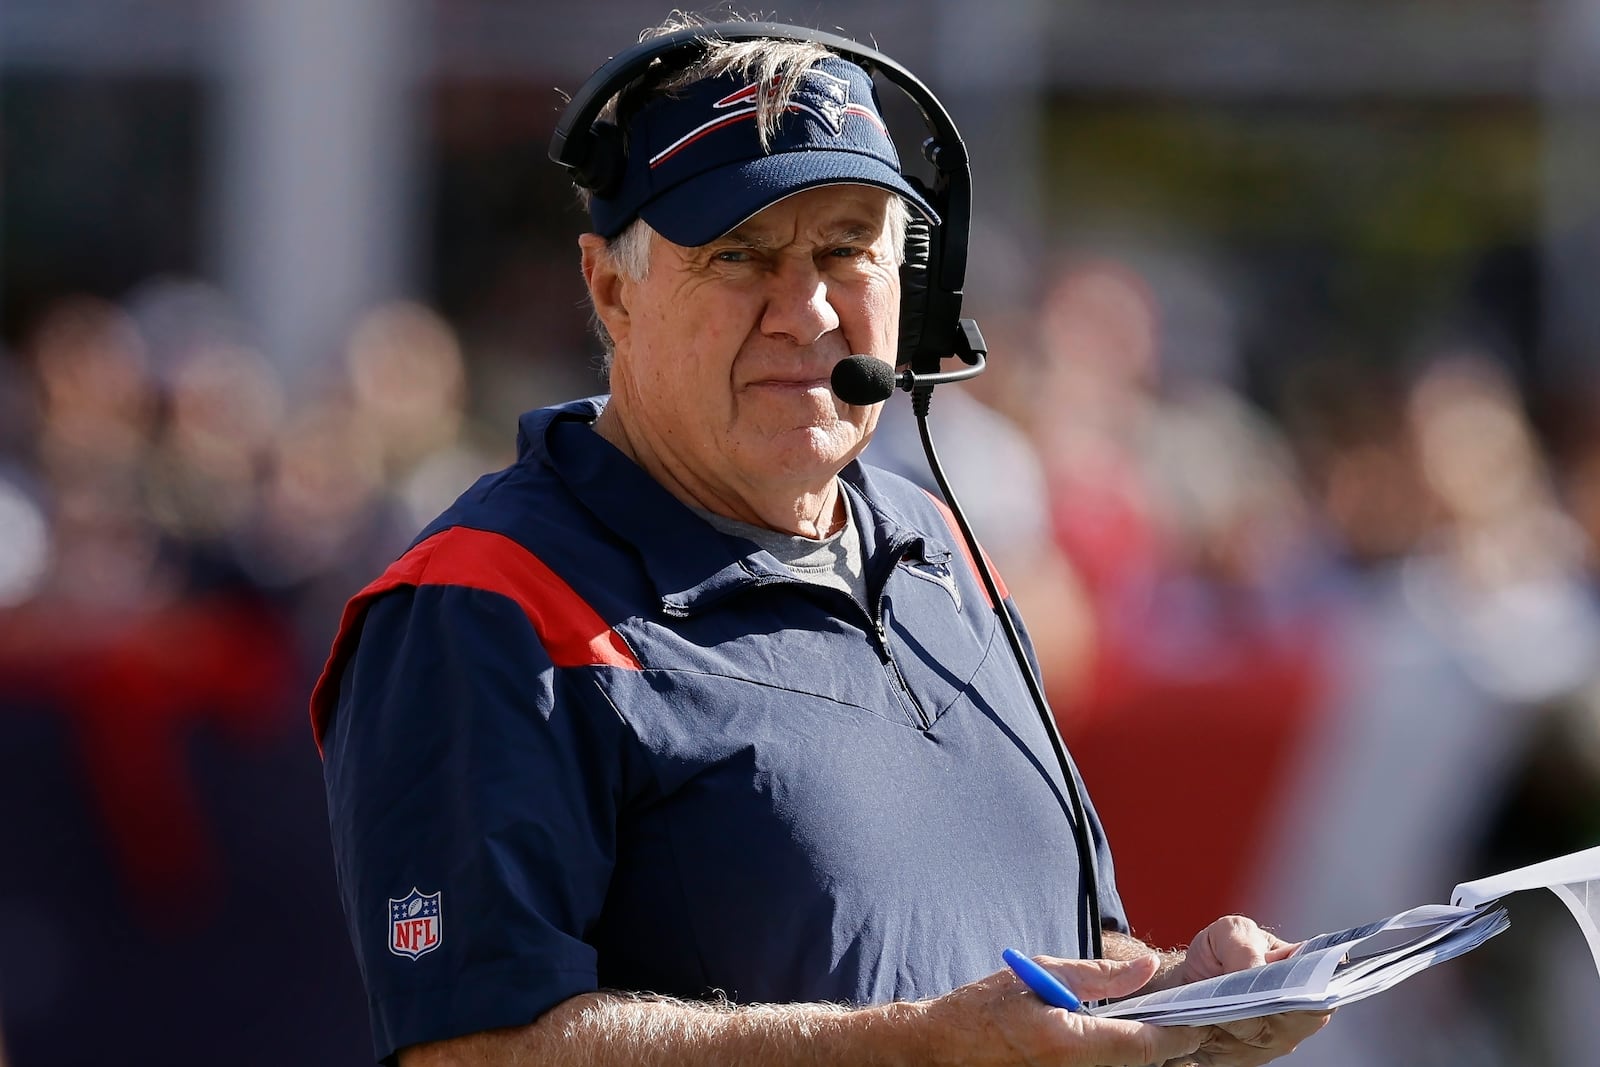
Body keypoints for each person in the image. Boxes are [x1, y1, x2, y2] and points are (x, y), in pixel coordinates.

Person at [312, 15, 1330, 1066]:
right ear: (612, 289)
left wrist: (1170, 996)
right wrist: (915, 1047)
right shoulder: (485, 599)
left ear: (915, 290)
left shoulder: (942, 549)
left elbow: (1048, 957)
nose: (803, 311)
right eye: (737, 256)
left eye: (846, 250)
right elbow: (472, 1048)